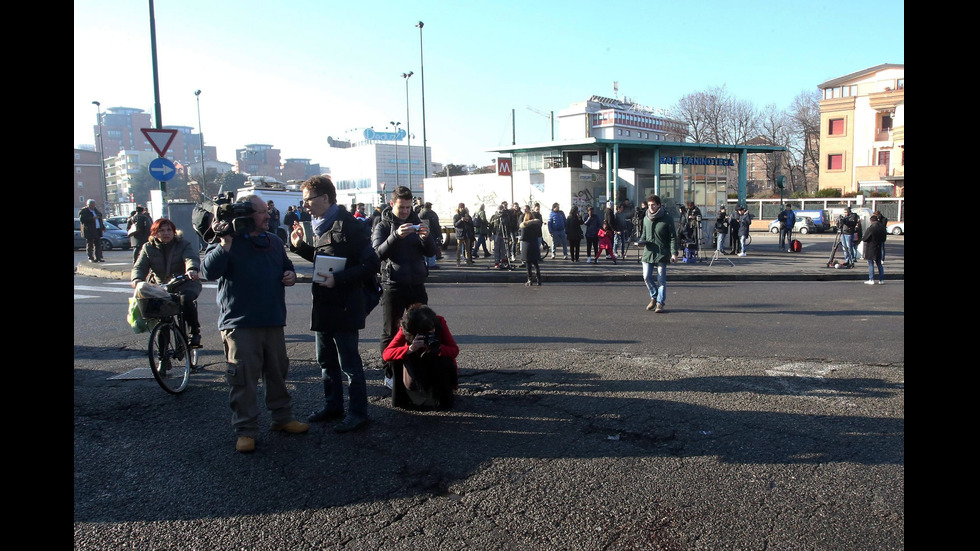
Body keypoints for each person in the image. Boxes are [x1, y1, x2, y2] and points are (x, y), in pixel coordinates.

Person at [200, 195, 307, 453]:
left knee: (278, 374)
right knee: (243, 380)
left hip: (272, 320)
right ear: (247, 216)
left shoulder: (273, 240)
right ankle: (245, 430)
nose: (267, 216)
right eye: (261, 212)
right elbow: (208, 272)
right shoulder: (229, 242)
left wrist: (290, 274)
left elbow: (286, 267)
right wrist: (224, 242)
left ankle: (282, 419)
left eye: (266, 211)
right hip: (240, 323)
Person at [289, 176, 380, 433]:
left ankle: (358, 413)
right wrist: (300, 247)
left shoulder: (349, 225)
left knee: (349, 363)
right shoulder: (319, 226)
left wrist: (338, 279)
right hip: (324, 304)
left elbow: (371, 265)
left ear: (326, 198)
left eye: (308, 199)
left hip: (345, 304)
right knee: (326, 360)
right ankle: (333, 406)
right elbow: (324, 260)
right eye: (304, 200)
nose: (305, 205)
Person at [372, 186, 437, 387]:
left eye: (409, 207)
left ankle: (419, 368)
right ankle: (390, 371)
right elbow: (376, 255)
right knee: (391, 331)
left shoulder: (418, 222)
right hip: (393, 285)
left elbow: (431, 252)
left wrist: (427, 239)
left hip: (417, 283)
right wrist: (395, 236)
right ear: (392, 204)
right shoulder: (382, 225)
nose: (405, 211)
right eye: (401, 207)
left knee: (421, 326)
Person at [131, 218, 203, 347]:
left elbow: (190, 258)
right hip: (161, 287)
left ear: (174, 232)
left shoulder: (183, 244)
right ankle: (162, 356)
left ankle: (194, 332)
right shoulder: (148, 248)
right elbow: (139, 267)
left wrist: (191, 270)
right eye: (161, 230)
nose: (166, 233)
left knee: (186, 300)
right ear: (155, 233)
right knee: (161, 317)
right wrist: (136, 279)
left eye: (169, 230)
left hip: (184, 282)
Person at [382, 303, 459, 410]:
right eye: (426, 332)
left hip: (436, 366)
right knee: (396, 358)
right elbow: (386, 354)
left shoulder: (439, 322)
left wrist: (439, 348)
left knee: (445, 359)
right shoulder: (406, 328)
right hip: (415, 370)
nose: (432, 332)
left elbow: (454, 350)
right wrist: (410, 349)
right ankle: (404, 398)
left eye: (432, 329)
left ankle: (442, 398)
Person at [639, 195, 678, 313]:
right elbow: (644, 234)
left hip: (662, 253)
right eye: (649, 205)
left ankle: (660, 302)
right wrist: (640, 242)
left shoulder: (667, 218)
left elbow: (673, 237)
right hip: (648, 253)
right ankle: (653, 296)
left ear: (659, 205)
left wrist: (674, 253)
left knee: (661, 279)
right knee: (646, 276)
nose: (651, 207)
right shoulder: (646, 218)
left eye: (653, 205)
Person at [861, 214, 887, 285]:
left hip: (871, 247)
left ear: (871, 221)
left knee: (870, 263)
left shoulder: (871, 228)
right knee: (879, 264)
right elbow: (884, 239)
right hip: (879, 247)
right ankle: (881, 280)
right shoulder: (882, 227)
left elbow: (865, 239)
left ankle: (871, 279)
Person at [520, 210, 543, 285]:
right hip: (534, 244)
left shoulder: (524, 226)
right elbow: (539, 234)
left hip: (527, 245)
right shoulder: (536, 225)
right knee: (536, 263)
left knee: (528, 264)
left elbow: (523, 237)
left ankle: (530, 280)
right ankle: (539, 279)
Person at [419, 202, 442, 268]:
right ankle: (431, 264)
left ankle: (425, 264)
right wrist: (439, 235)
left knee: (424, 248)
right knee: (432, 248)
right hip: (432, 234)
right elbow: (436, 225)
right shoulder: (432, 214)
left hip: (422, 233)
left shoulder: (420, 214)